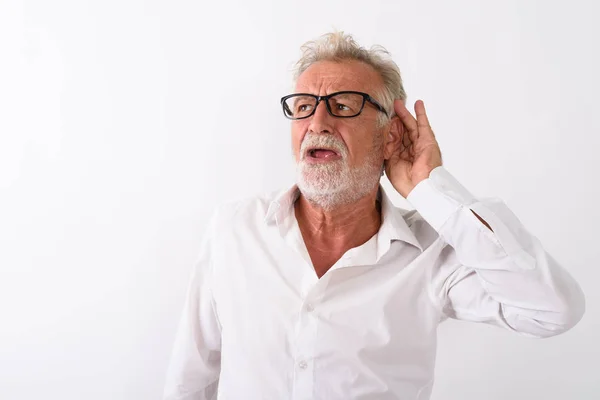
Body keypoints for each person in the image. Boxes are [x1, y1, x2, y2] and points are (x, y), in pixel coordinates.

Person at [162, 32, 586, 400]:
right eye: (305, 105)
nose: (318, 122)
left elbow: (552, 311)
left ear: (391, 135)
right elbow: (190, 379)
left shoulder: (432, 255)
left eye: (343, 106)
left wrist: (429, 188)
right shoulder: (234, 229)